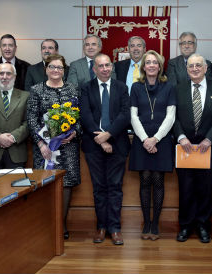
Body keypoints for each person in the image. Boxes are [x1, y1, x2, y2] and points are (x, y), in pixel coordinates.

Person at [173, 54, 212, 243]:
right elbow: (174, 118)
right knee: (186, 189)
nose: (195, 69)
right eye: (191, 66)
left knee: (207, 190)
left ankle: (203, 225)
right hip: (185, 149)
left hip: (208, 149)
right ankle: (185, 226)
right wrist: (181, 137)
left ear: (206, 68)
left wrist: (209, 139)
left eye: (198, 65)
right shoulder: (178, 89)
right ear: (187, 70)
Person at [27, 54, 81, 241]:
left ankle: (62, 223)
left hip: (68, 147)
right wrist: (41, 144)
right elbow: (32, 119)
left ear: (64, 70)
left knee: (66, 184)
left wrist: (75, 132)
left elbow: (79, 116)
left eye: (59, 67)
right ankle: (48, 224)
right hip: (45, 149)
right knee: (47, 184)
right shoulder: (36, 90)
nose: (56, 70)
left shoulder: (73, 89)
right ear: (46, 69)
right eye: (52, 67)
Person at [79, 53, 130, 245]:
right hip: (93, 146)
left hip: (117, 144)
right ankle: (101, 227)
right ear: (94, 69)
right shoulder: (86, 88)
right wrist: (100, 140)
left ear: (112, 67)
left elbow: (125, 115)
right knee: (99, 188)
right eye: (100, 66)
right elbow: (85, 115)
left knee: (115, 188)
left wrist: (108, 135)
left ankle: (115, 228)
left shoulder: (121, 87)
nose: (105, 69)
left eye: (107, 65)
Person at [129, 50, 176, 241]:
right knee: (144, 180)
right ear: (143, 66)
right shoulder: (135, 87)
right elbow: (133, 116)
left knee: (158, 181)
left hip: (162, 139)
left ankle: (155, 223)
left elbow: (171, 116)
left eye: (154, 62)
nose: (151, 65)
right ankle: (145, 223)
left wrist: (155, 139)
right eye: (147, 62)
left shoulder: (169, 86)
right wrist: (145, 140)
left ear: (159, 66)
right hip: (141, 140)